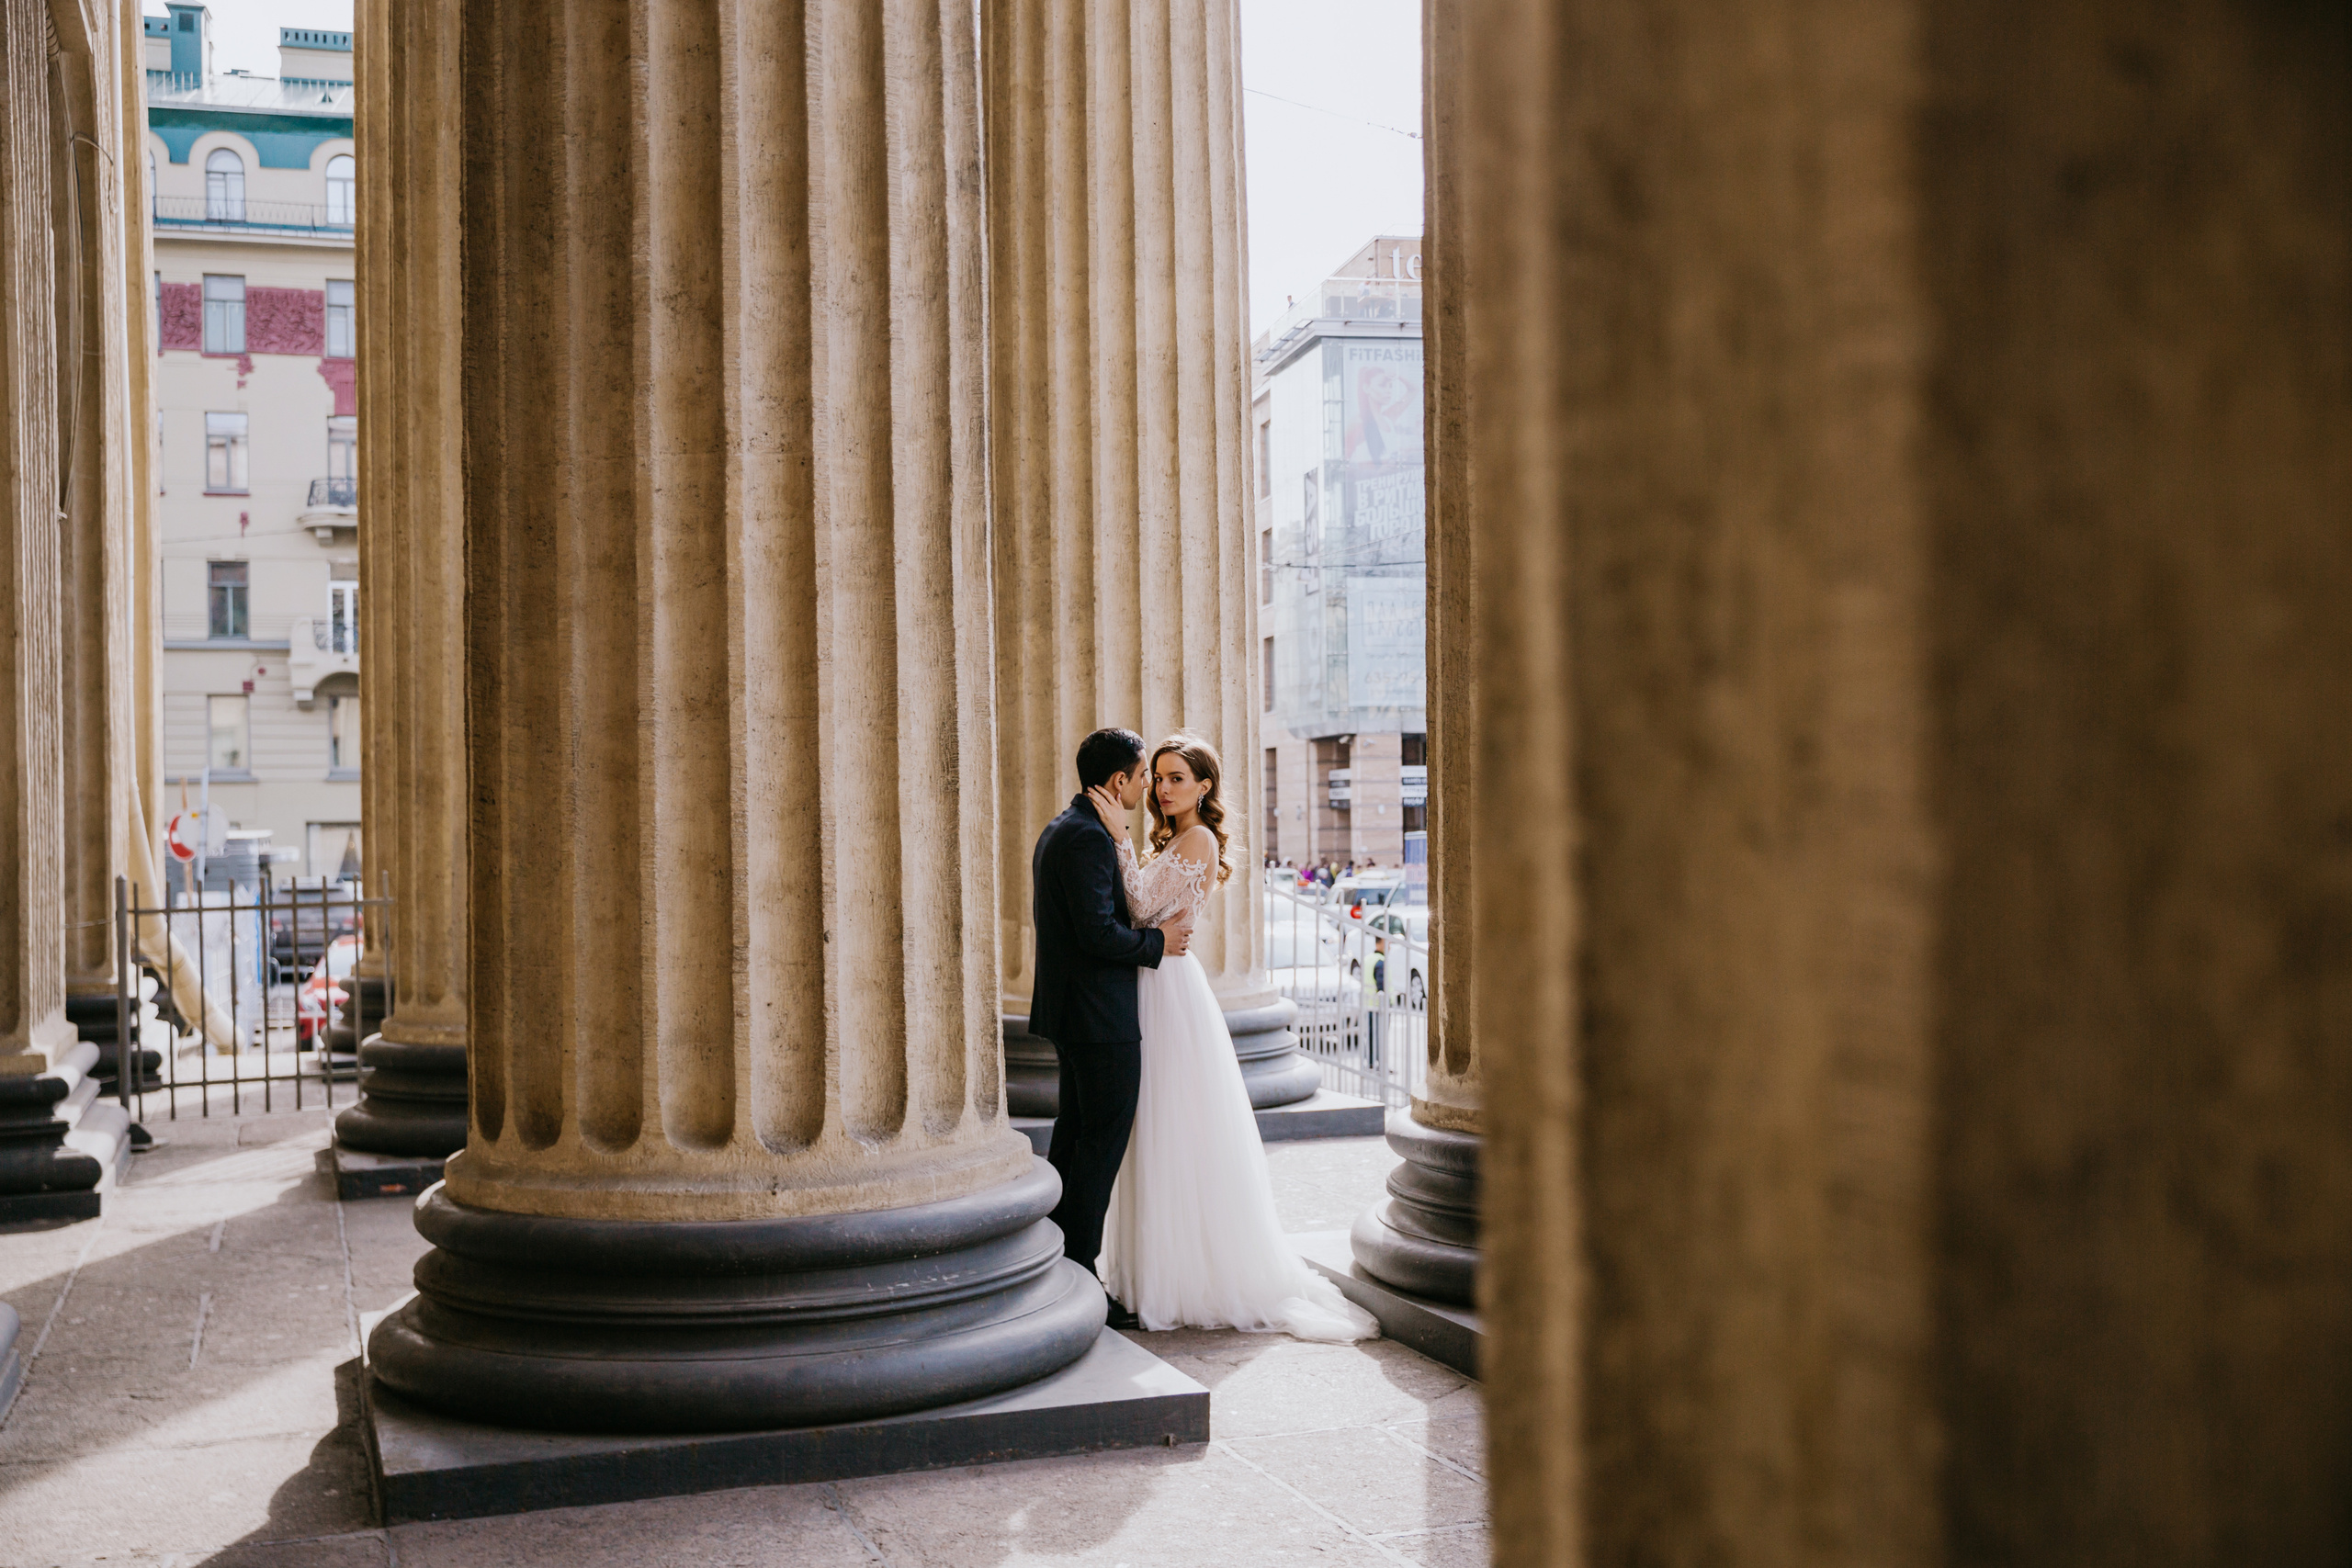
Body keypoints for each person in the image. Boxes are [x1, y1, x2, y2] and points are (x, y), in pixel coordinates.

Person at [1087, 733, 1377, 1342]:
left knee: (1169, 1126)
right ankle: (1151, 1273)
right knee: (1155, 1129)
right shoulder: (1173, 838)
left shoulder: (1198, 838)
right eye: (1158, 778)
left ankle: (1181, 1279)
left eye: (1175, 778)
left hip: (1167, 990)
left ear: (1203, 787)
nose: (1162, 789)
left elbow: (1137, 905)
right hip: (1154, 980)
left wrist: (1116, 836)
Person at [1031, 727, 1194, 1330]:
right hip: (1098, 1020)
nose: (1149, 785)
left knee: (1074, 1139)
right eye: (1143, 775)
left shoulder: (1067, 828)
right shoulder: (1085, 839)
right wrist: (1159, 941)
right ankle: (1079, 1269)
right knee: (1097, 1146)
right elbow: (1098, 932)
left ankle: (1057, 1262)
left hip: (1080, 1014)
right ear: (1119, 780)